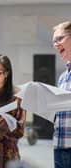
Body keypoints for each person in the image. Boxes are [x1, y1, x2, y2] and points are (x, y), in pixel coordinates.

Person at [52, 21, 71, 168]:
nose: (56, 44)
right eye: (54, 41)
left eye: (60, 38)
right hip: (60, 144)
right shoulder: (63, 77)